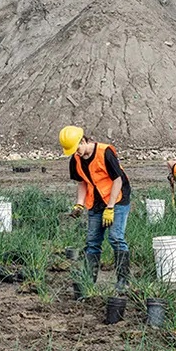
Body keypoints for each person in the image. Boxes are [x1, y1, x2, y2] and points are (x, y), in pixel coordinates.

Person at [59, 125, 131, 292]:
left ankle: (123, 282)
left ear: (83, 140)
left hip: (117, 199)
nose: (76, 152)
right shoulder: (75, 160)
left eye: (77, 148)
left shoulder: (105, 152)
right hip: (96, 202)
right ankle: (89, 281)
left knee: (115, 238)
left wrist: (111, 207)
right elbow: (82, 182)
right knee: (92, 242)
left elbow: (118, 180)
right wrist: (79, 203)